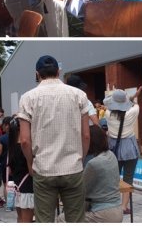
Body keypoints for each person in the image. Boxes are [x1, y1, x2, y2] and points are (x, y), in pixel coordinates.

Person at [17, 55, 90, 222]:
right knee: (77, 220)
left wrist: (30, 162)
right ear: (59, 71)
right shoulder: (79, 95)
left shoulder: (27, 98)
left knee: (44, 220)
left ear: (37, 74)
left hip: (43, 168)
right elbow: (86, 135)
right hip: (73, 167)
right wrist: (81, 158)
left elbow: (25, 140)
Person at [59, 125, 123, 223]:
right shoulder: (111, 155)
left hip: (103, 214)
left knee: (62, 218)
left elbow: (81, 189)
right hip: (118, 209)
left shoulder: (93, 163)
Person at [103, 86, 142, 215]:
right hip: (130, 148)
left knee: (114, 178)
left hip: (114, 148)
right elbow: (134, 104)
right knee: (128, 178)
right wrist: (134, 96)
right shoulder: (132, 112)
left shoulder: (108, 114)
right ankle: (124, 207)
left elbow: (108, 103)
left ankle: (113, 205)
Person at [7, 117, 34, 223]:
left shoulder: (12, 147)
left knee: (20, 219)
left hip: (17, 187)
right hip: (28, 188)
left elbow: (10, 171)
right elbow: (31, 172)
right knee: (27, 220)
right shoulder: (25, 148)